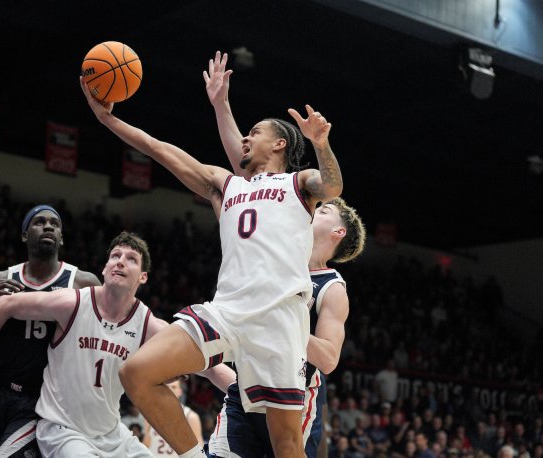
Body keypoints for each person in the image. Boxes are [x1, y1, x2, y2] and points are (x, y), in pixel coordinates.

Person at [81, 46, 343, 457]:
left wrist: (322, 144)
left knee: (286, 443)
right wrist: (108, 118)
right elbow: (158, 147)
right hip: (228, 311)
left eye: (254, 132)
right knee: (137, 372)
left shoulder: (298, 185)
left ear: (278, 143)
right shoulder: (227, 185)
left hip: (280, 319)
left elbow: (332, 187)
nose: (245, 137)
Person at [203, 50, 365, 458]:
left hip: (295, 396)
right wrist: (221, 104)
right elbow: (246, 176)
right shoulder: (279, 251)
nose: (314, 208)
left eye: (323, 209)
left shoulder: (331, 286)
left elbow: (327, 359)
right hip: (250, 387)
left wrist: (279, 318)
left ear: (337, 232)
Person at [0, 232, 234, 457]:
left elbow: (209, 365)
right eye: (115, 256)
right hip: (62, 430)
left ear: (143, 277)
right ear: (105, 267)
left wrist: (249, 395)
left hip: (110, 433)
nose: (120, 261)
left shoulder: (146, 323)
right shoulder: (73, 303)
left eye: (131, 259)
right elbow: (5, 305)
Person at [0, 204, 101, 457]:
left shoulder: (82, 283)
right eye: (39, 222)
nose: (48, 226)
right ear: (25, 235)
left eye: (55, 224)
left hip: (40, 402)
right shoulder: (1, 280)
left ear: (61, 238)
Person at [144, 379, 203, 457]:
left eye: (174, 387)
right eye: (167, 387)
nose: (170, 390)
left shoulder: (191, 416)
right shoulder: (150, 414)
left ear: (180, 391)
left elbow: (200, 447)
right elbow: (146, 443)